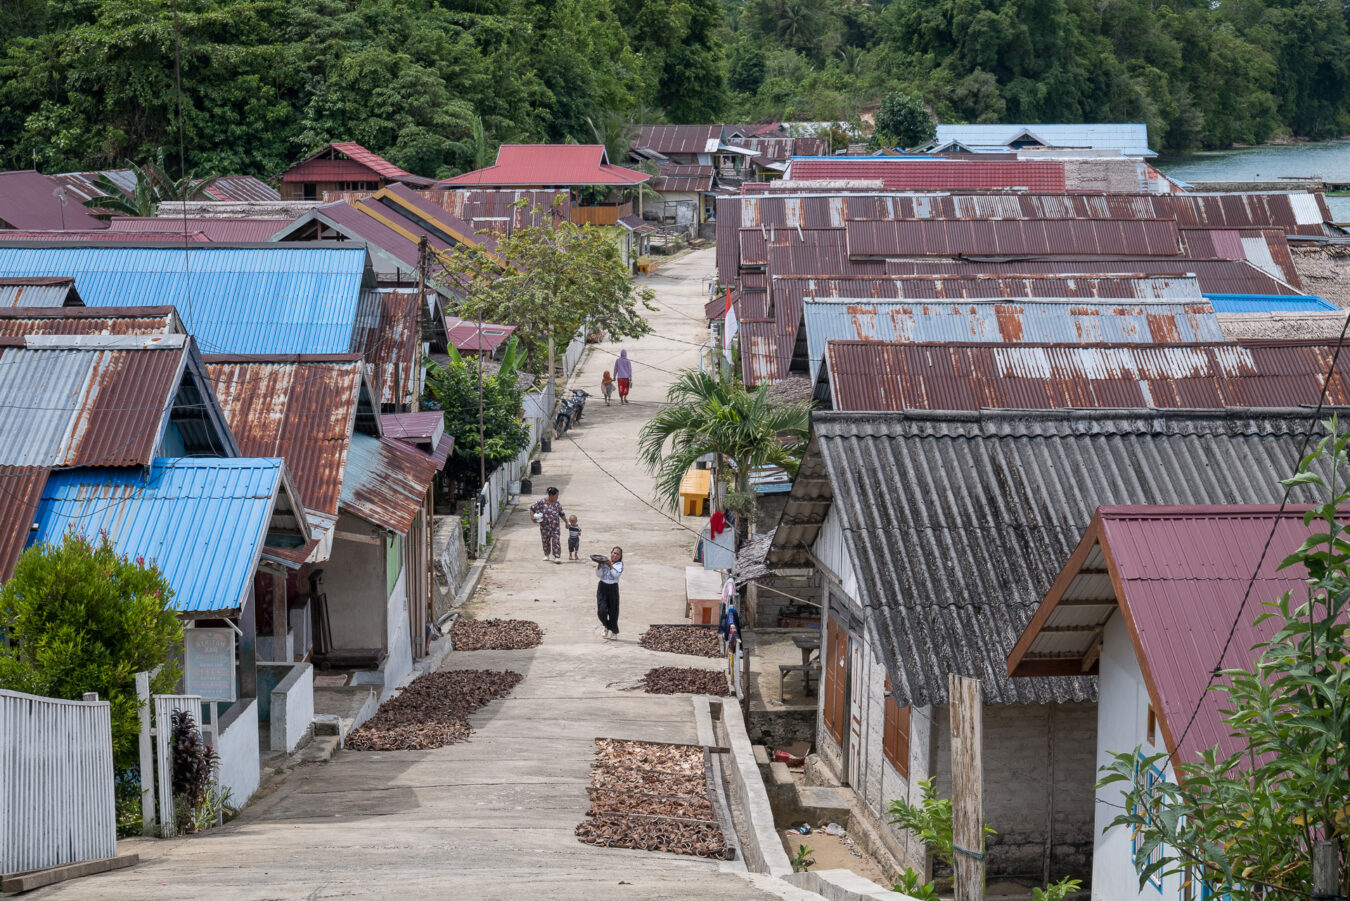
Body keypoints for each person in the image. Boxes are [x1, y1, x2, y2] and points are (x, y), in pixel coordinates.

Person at [529, 487, 565, 564]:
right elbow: (532, 508)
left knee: (556, 541)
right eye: (556, 496)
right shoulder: (541, 502)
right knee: (545, 541)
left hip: (555, 527)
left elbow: (562, 514)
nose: (557, 497)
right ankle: (546, 554)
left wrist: (566, 522)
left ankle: (557, 556)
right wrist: (532, 518)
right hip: (544, 527)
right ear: (551, 495)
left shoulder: (557, 504)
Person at [595, 546, 624, 639]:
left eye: (617, 554)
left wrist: (610, 566)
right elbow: (598, 575)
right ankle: (607, 626)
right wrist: (600, 565)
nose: (615, 555)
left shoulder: (620, 565)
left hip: (613, 588)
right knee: (601, 611)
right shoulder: (604, 562)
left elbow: (615, 575)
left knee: (613, 611)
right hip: (603, 587)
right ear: (611, 553)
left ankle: (614, 631)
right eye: (614, 553)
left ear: (620, 556)